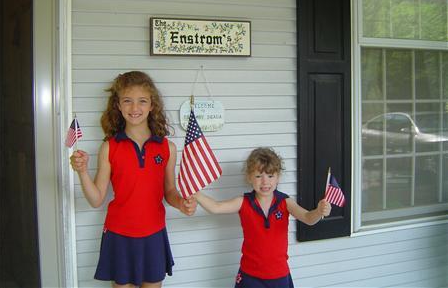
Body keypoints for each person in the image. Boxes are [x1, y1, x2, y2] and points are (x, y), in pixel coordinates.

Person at [70, 71, 197, 288]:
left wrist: (182, 203)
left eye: (142, 101)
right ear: (118, 105)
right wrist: (82, 172)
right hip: (119, 234)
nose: (134, 108)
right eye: (127, 101)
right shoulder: (110, 147)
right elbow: (96, 199)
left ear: (152, 105)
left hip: (153, 233)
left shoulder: (167, 148)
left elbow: (169, 191)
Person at [194, 147, 331, 288]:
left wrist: (319, 211)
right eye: (259, 176)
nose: (265, 182)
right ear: (249, 177)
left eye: (270, 176)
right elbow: (216, 207)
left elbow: (308, 218)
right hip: (250, 276)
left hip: (279, 275)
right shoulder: (244, 202)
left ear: (278, 177)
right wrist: (196, 194)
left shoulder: (285, 202)